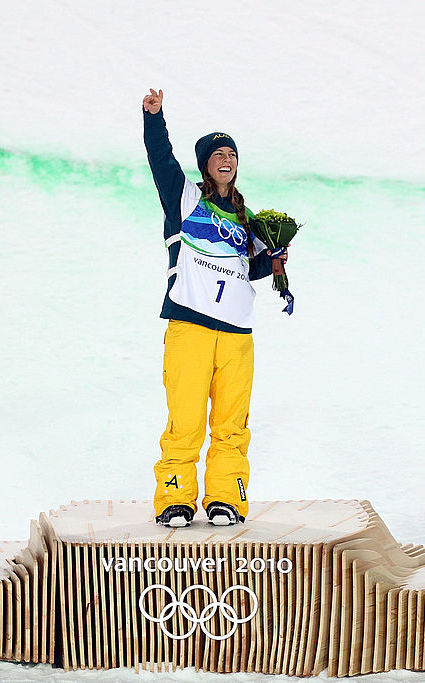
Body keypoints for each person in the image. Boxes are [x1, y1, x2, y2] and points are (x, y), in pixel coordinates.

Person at [142, 88, 286, 528]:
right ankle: (175, 499)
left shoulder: (247, 218)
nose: (226, 160)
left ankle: (226, 497)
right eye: (217, 154)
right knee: (184, 419)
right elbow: (161, 160)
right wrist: (154, 117)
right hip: (191, 324)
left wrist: (273, 262)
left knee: (231, 423)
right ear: (205, 164)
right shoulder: (184, 199)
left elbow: (248, 268)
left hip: (238, 334)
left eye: (232, 155)